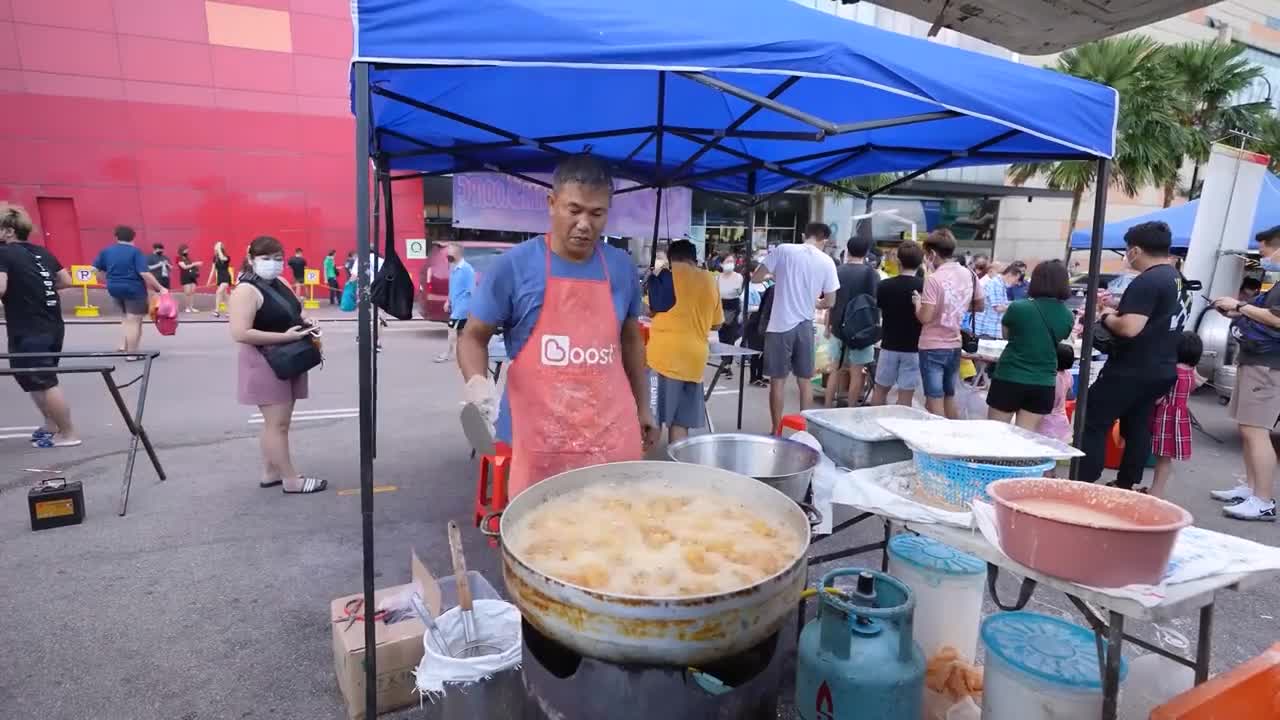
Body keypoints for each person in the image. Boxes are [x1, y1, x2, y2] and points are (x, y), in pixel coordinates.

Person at [457, 154, 657, 498]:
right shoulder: (513, 267)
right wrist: (478, 387)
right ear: (552, 204)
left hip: (611, 436)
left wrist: (643, 406)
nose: (584, 224)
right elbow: (472, 337)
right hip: (540, 442)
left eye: (597, 214)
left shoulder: (621, 267)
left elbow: (630, 343)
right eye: (574, 210)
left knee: (618, 538)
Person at [1078, 222, 1183, 491]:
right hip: (1162, 366)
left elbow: (1129, 327)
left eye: (1127, 250)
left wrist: (1106, 315)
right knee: (1137, 425)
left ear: (1135, 250)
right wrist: (1120, 307)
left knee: (1093, 419)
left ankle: (1084, 479)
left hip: (1132, 367)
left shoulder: (1148, 281)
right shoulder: (1175, 278)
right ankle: (1127, 482)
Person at [228, 235, 325, 495]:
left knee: (278, 423)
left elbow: (296, 310)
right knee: (277, 425)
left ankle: (271, 472)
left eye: (278, 259)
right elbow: (240, 333)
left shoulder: (280, 282)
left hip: (288, 357)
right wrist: (287, 337)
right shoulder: (245, 291)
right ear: (251, 259)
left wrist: (308, 322)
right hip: (265, 361)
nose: (273, 264)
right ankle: (291, 479)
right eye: (266, 258)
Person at [1207, 226, 1280, 520]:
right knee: (1246, 427)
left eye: (1264, 251)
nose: (1263, 257)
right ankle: (1251, 490)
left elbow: (1277, 320)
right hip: (1256, 361)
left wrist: (1239, 305)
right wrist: (1239, 311)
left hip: (1268, 365)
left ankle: (1263, 500)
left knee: (1256, 430)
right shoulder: (1275, 284)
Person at [0, 203, 79, 448]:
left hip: (29, 326)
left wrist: (23, 290)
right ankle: (51, 425)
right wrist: (36, 288)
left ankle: (68, 433)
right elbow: (65, 280)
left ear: (8, 231)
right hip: (51, 324)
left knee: (44, 380)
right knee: (33, 378)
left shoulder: (3, 253)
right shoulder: (42, 252)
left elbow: (0, 287)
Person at [752, 222, 840, 433]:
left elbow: (756, 277)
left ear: (803, 235)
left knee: (778, 381)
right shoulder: (827, 262)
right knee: (805, 380)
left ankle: (776, 429)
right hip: (805, 325)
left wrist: (773, 275)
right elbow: (830, 301)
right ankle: (804, 430)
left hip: (779, 325)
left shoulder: (784, 250)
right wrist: (814, 302)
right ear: (824, 240)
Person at [645, 239, 722, 443]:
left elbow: (649, 309)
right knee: (680, 422)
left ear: (670, 258)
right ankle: (678, 470)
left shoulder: (662, 276)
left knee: (653, 418)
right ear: (694, 259)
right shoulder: (708, 279)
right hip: (694, 361)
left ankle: (642, 469)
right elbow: (717, 324)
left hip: (661, 358)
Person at [985, 260, 1074, 431]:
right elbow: (1060, 338)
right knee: (1025, 440)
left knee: (995, 436)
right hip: (1043, 382)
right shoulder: (1067, 315)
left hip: (1010, 376)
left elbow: (1007, 335)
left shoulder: (1018, 307)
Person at [913, 229, 983, 418]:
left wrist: (917, 304)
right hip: (955, 344)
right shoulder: (970, 275)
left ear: (932, 254)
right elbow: (980, 305)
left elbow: (925, 318)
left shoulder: (934, 280)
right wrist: (956, 306)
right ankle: (954, 435)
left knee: (934, 398)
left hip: (932, 345)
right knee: (949, 395)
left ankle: (938, 442)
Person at [92, 226, 167, 357]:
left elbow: (94, 269)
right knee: (134, 321)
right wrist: (160, 288)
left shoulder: (107, 251)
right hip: (133, 289)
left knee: (125, 317)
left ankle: (125, 346)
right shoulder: (135, 252)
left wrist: (107, 280)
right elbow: (144, 273)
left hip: (114, 289)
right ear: (133, 237)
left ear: (116, 237)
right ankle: (132, 354)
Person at [824, 233, 879, 408]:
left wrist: (827, 326)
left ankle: (826, 407)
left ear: (847, 250)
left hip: (838, 326)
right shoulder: (872, 274)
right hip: (862, 328)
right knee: (857, 373)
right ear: (867, 252)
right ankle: (851, 409)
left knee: (834, 370)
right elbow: (875, 303)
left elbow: (831, 302)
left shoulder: (837, 271)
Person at [1148, 332, 1204, 499]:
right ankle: (1156, 491)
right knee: (1165, 458)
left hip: (1166, 416)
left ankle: (1156, 493)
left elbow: (1158, 399)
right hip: (1180, 418)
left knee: (1162, 458)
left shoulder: (1172, 372)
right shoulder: (1191, 374)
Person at [871, 240, 925, 407]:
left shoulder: (884, 285)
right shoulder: (925, 286)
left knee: (880, 390)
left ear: (898, 261)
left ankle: (874, 426)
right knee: (905, 395)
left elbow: (878, 310)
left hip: (889, 344)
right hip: (914, 347)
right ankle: (900, 429)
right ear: (920, 262)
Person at [435, 243, 474, 363]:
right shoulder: (453, 268)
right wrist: (448, 301)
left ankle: (448, 353)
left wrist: (471, 308)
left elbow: (471, 289)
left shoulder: (466, 269)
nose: (448, 255)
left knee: (451, 329)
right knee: (460, 332)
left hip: (463, 307)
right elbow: (452, 288)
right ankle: (464, 354)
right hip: (455, 305)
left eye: (450, 252)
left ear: (457, 253)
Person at [1037, 343, 1076, 445]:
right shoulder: (1068, 375)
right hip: (1061, 418)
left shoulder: (1050, 377)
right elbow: (1069, 394)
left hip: (1046, 420)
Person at [972, 264, 1019, 339]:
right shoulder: (995, 284)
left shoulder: (1001, 284)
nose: (1016, 283)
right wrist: (1016, 306)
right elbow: (998, 308)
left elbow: (1003, 303)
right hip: (987, 330)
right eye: (1016, 279)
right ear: (1010, 275)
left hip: (991, 329)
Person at [717, 256, 744, 348]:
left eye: (732, 261)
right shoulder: (718, 277)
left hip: (734, 305)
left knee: (732, 333)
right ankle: (724, 357)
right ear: (721, 264)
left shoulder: (738, 277)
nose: (730, 263)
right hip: (721, 305)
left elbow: (740, 292)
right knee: (722, 333)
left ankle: (729, 357)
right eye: (728, 261)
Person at [208, 241, 233, 318]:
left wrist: (219, 248)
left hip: (225, 277)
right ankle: (229, 311)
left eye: (217, 246)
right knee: (225, 295)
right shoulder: (215, 258)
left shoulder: (227, 257)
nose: (215, 248)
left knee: (219, 292)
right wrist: (209, 280)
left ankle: (217, 311)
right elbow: (213, 270)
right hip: (219, 278)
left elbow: (222, 258)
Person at [177, 245, 202, 312]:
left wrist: (196, 265)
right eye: (185, 250)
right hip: (185, 276)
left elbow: (191, 266)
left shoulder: (188, 258)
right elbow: (184, 267)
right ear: (181, 251)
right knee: (187, 292)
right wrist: (195, 264)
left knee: (192, 291)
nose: (187, 251)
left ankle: (191, 307)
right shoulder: (179, 258)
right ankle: (187, 307)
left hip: (192, 276)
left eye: (187, 250)